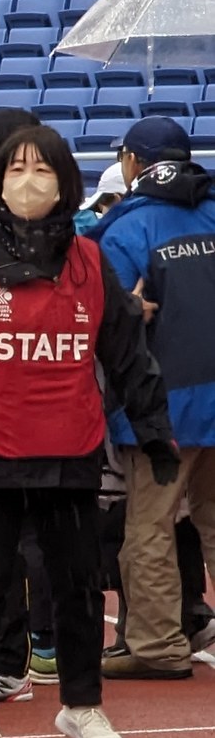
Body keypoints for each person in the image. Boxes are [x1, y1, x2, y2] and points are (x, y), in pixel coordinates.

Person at [0, 129, 171, 738]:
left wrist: (154, 429)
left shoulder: (88, 260)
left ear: (66, 181)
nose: (29, 180)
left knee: (79, 585)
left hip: (70, 449)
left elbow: (125, 351)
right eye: (17, 168)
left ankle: (82, 704)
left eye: (42, 169)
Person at [94, 116, 215, 679]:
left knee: (150, 526)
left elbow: (108, 315)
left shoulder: (125, 229)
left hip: (162, 403)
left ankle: (157, 645)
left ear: (131, 163)